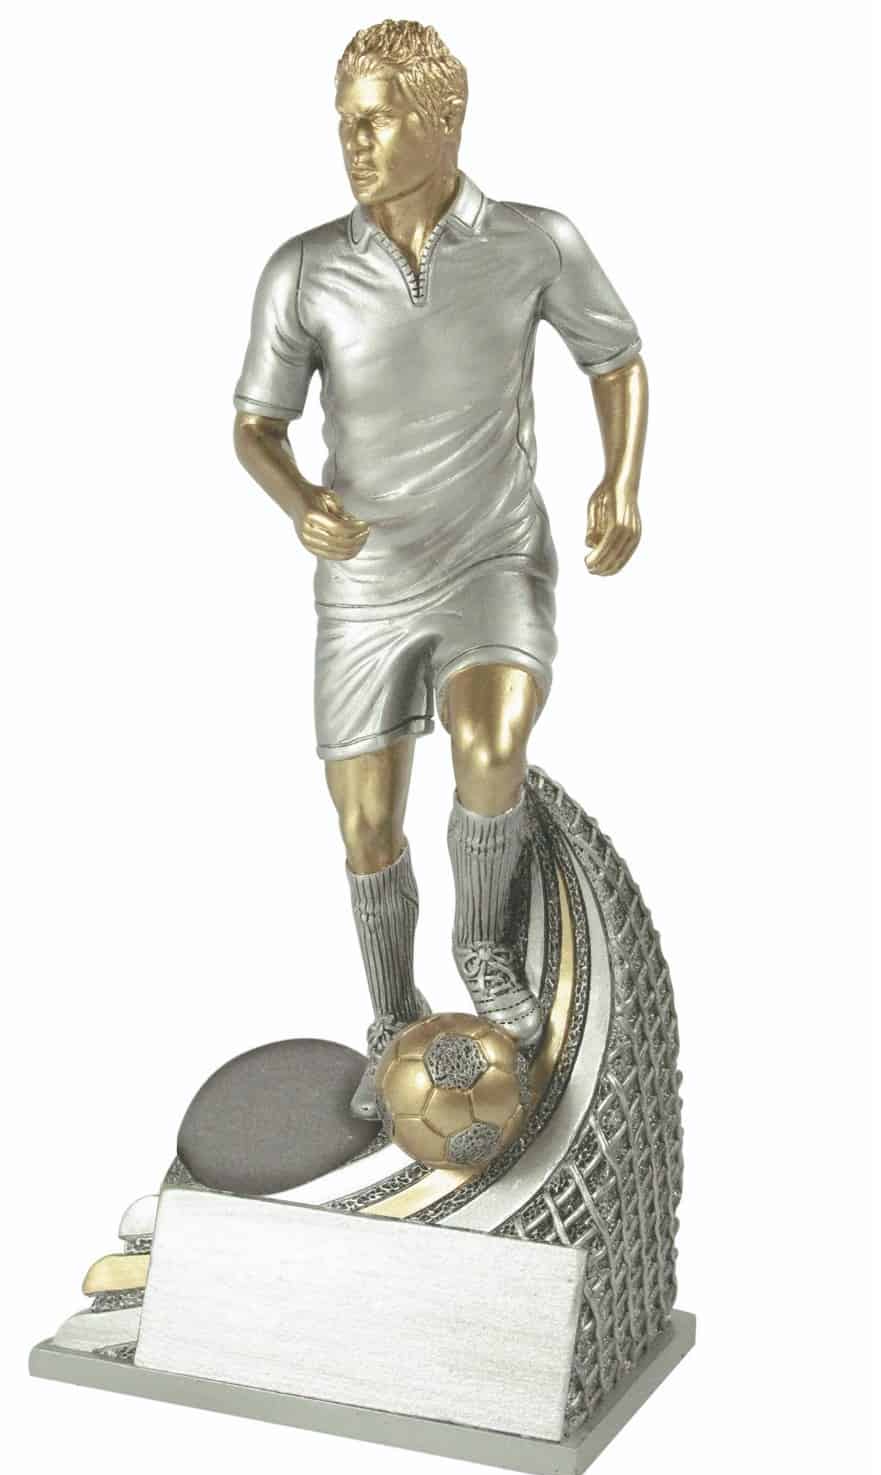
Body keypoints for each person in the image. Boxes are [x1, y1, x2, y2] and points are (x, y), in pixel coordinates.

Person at [232, 21, 649, 1119]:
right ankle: (390, 1017)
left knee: (492, 742)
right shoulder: (304, 270)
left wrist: (620, 483)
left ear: (443, 120)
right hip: (365, 588)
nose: (353, 141)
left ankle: (484, 947)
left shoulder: (533, 243)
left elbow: (615, 357)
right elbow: (255, 427)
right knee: (366, 826)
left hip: (492, 557)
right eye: (344, 122)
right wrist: (302, 502)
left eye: (375, 120)